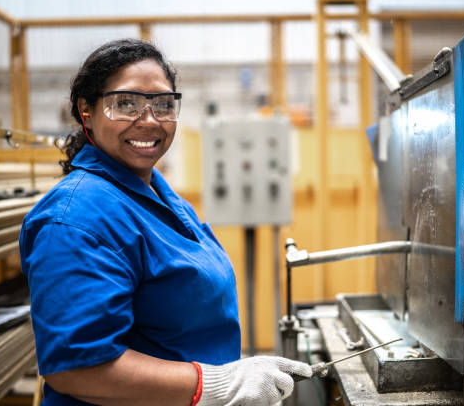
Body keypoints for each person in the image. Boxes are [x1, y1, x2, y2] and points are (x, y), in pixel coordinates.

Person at [19, 38, 311, 406]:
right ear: (86, 111)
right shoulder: (75, 218)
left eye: (163, 105)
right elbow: (76, 368)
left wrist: (233, 378)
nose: (149, 121)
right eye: (125, 104)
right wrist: (217, 384)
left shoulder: (156, 193)